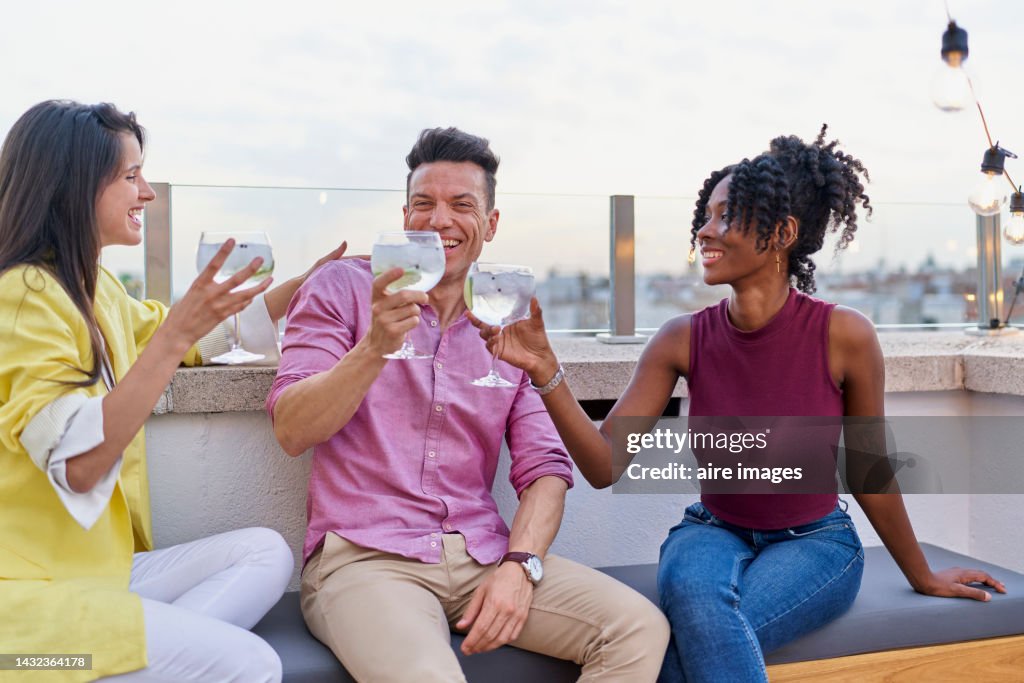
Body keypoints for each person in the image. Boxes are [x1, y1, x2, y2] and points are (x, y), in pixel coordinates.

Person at [469, 126, 1007, 682]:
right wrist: (545, 370)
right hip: (709, 532)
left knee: (691, 647)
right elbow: (605, 466)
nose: (704, 230)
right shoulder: (680, 339)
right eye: (706, 214)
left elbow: (870, 471)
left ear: (782, 232)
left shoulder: (844, 335)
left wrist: (921, 574)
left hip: (818, 545)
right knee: (701, 612)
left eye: (725, 215)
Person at [267, 126, 669, 682]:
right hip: (366, 560)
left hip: (482, 556)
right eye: (424, 204)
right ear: (405, 215)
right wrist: (375, 347)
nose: (439, 221)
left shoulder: (505, 319)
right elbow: (292, 428)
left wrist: (521, 565)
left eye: (462, 205)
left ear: (491, 224)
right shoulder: (341, 288)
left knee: (636, 629)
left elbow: (547, 472)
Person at [0, 100, 345, 682]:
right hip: (33, 600)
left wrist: (298, 288)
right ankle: (61, 663)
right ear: (74, 186)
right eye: (131, 177)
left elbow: (180, 337)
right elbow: (80, 466)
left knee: (265, 552)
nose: (147, 194)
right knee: (252, 665)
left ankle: (115, 665)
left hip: (103, 572)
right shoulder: (26, 295)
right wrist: (179, 330)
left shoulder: (94, 286)